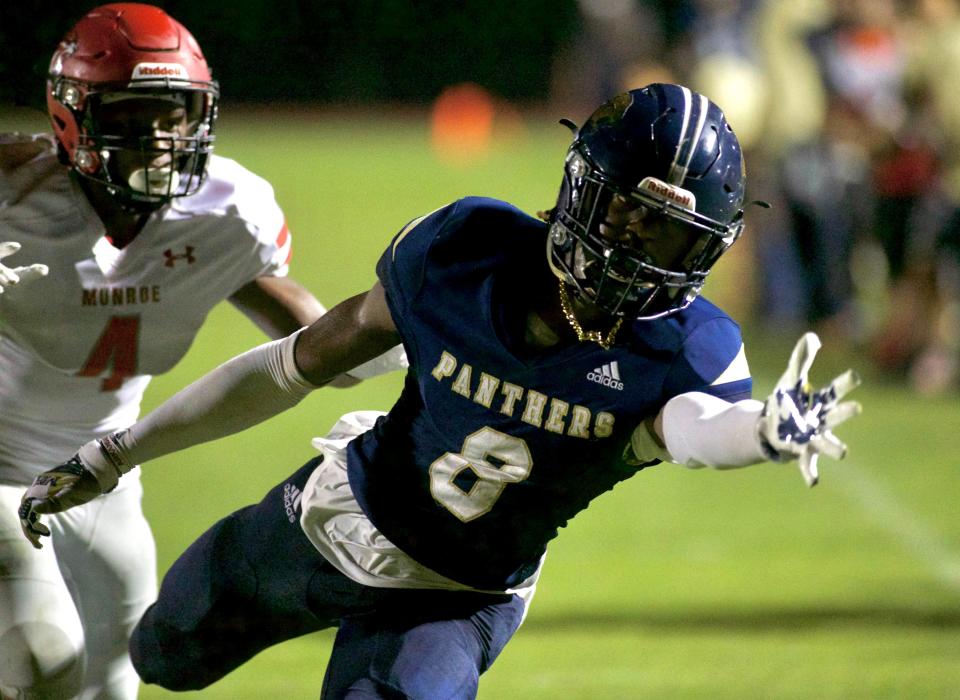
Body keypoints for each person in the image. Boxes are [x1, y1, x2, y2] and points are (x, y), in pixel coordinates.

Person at [19, 83, 860, 698]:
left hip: (455, 598)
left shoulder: (687, 348)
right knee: (163, 652)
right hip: (330, 520)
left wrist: (762, 433)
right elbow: (293, 364)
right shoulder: (468, 251)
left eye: (673, 236)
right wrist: (116, 451)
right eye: (628, 215)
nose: (638, 250)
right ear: (580, 190)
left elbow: (699, 427)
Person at [0, 4, 405, 699]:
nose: (159, 137)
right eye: (132, 113)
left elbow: (315, 340)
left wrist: (415, 333)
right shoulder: (12, 189)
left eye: (176, 113)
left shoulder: (227, 211)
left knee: (113, 680)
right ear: (73, 115)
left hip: (102, 470)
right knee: (41, 662)